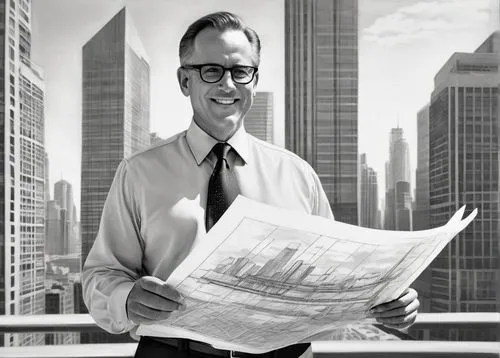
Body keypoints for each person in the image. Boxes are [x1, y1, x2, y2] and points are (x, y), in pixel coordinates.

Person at [82, 11, 420, 358]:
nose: (227, 85)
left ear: (254, 81)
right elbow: (100, 277)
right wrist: (127, 299)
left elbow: (338, 279)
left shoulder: (297, 175)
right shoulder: (139, 172)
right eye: (211, 70)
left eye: (241, 72)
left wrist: (390, 301)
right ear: (185, 81)